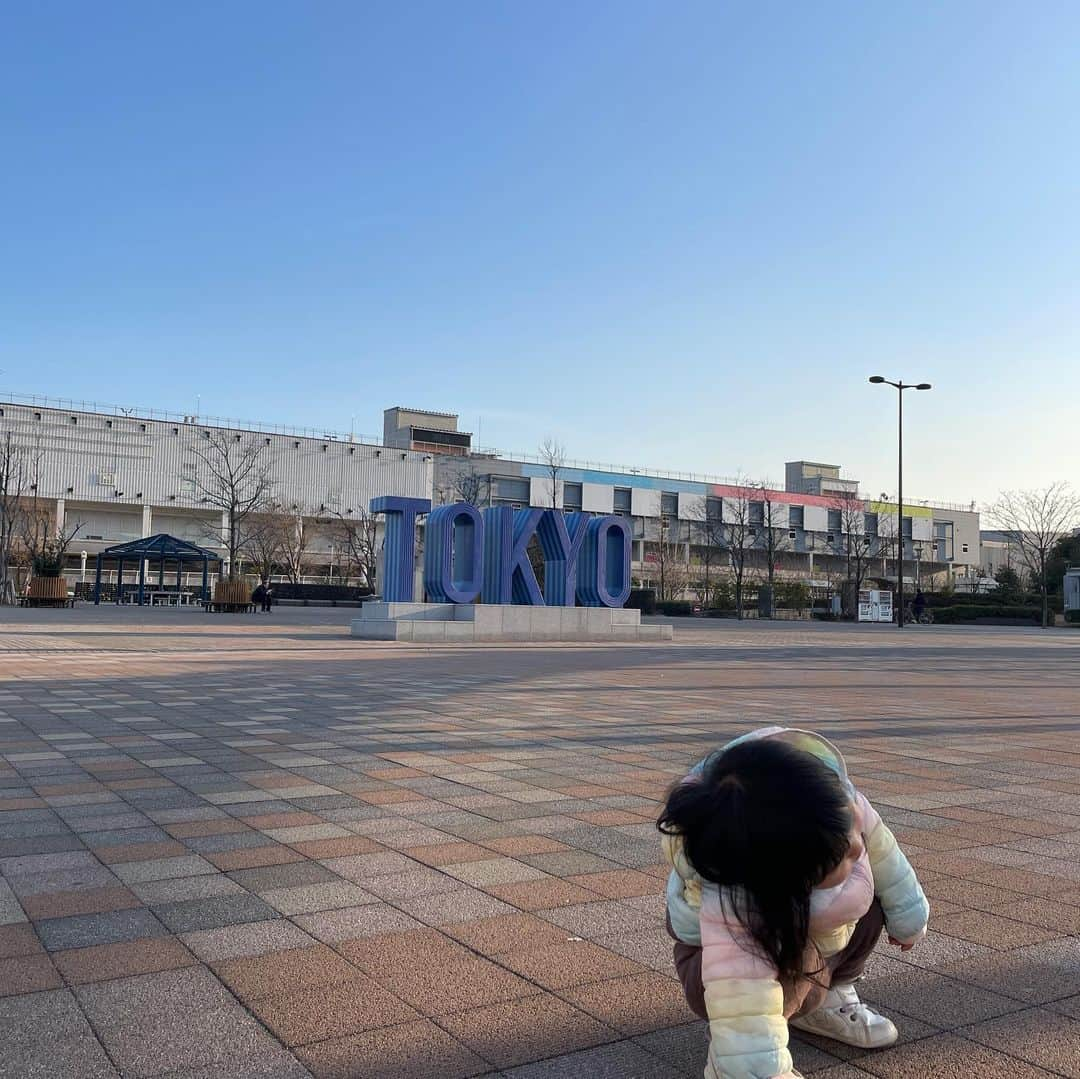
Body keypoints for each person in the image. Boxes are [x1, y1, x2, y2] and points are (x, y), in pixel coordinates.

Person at [659, 728, 928, 1079]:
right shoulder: (736, 898)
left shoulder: (827, 796)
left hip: (807, 927)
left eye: (851, 835)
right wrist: (753, 1066)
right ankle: (749, 1036)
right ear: (785, 877)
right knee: (776, 954)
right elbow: (741, 985)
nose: (856, 849)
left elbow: (882, 849)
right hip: (721, 973)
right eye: (839, 858)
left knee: (875, 900)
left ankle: (826, 1001)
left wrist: (909, 915)